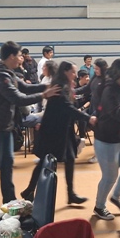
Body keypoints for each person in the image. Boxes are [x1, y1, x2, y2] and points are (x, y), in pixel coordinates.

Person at [0, 41, 60, 203]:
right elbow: (18, 98)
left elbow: (25, 88)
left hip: (4, 125)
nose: (21, 58)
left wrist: (46, 86)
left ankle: (9, 199)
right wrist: (44, 95)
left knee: (7, 163)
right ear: (11, 56)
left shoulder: (8, 73)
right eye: (19, 55)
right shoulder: (0, 76)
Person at [21, 61, 95, 203]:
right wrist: (88, 118)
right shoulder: (60, 87)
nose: (75, 75)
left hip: (63, 130)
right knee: (44, 161)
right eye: (73, 72)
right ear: (65, 72)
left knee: (70, 158)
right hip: (53, 131)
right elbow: (68, 108)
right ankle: (29, 190)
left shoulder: (65, 86)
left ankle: (70, 194)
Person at [92, 58, 120, 221]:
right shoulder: (109, 90)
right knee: (110, 176)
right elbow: (116, 113)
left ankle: (116, 196)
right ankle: (99, 206)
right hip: (107, 140)